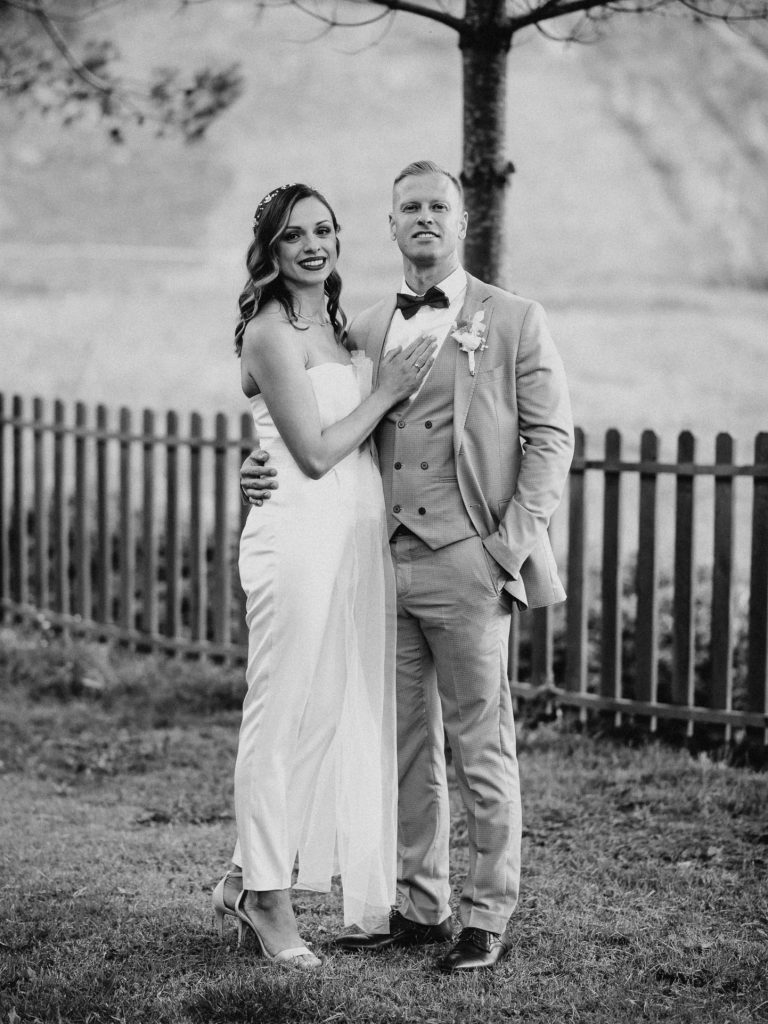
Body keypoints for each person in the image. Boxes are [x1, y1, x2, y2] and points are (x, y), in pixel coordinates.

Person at [240, 161, 574, 973]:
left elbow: (551, 441)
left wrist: (504, 550)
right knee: (403, 745)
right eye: (409, 208)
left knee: (481, 743)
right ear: (390, 226)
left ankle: (486, 915)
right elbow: (307, 419)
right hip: (379, 564)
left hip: (469, 561)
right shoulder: (361, 327)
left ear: (463, 222)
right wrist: (255, 467)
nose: (424, 218)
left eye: (438, 206)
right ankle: (423, 907)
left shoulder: (514, 319)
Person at [213, 182, 437, 970]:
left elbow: (306, 436)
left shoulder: (337, 328)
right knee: (279, 712)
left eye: (324, 230)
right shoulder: (271, 334)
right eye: (294, 235)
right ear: (270, 251)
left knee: (325, 713)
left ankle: (244, 872)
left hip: (352, 531)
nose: (313, 245)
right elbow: (308, 453)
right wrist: (387, 390)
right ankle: (268, 900)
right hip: (297, 533)